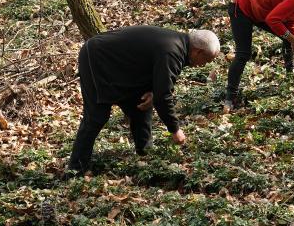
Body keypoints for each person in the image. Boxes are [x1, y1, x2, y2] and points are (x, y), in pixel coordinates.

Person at [67, 26, 221, 175]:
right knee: (96, 116)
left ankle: (146, 157)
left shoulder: (178, 46)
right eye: (207, 60)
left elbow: (159, 82)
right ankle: (76, 169)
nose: (204, 65)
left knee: (141, 106)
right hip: (97, 58)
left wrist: (153, 92)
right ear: (198, 51)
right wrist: (175, 129)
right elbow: (163, 97)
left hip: (123, 69)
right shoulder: (172, 51)